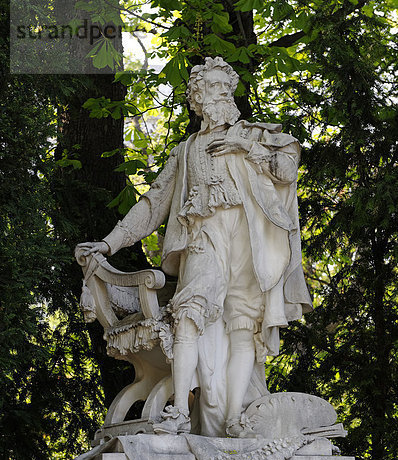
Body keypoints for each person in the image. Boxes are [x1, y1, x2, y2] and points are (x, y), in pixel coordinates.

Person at [77, 56, 312, 438]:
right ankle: (180, 414)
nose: (222, 92)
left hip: (248, 245)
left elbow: (286, 170)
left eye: (225, 85)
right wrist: (108, 243)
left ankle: (235, 418)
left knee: (242, 330)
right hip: (204, 240)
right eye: (213, 86)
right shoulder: (186, 150)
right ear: (197, 97)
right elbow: (152, 205)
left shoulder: (254, 135)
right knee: (188, 312)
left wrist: (243, 146)